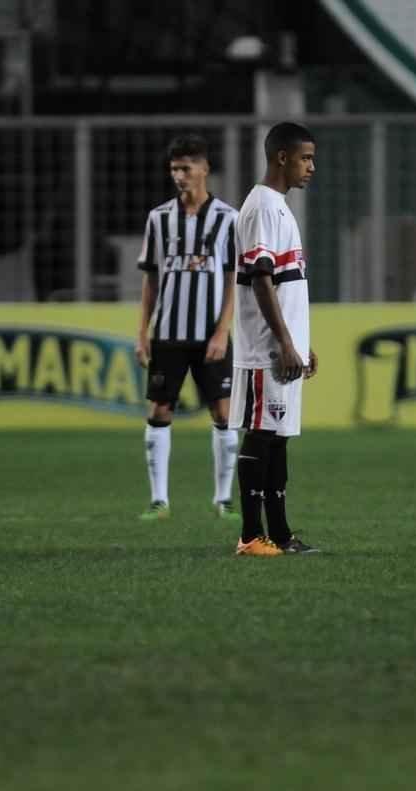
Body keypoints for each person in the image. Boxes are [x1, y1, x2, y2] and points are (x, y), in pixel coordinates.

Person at [135, 135, 241, 521]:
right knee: (160, 409)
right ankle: (159, 500)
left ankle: (223, 499)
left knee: (223, 412)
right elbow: (150, 280)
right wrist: (141, 332)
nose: (179, 176)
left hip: (212, 333)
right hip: (169, 332)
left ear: (205, 169)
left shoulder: (228, 218)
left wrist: (223, 330)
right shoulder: (158, 218)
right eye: (174, 169)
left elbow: (234, 278)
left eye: (186, 168)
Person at [229, 122, 320, 556]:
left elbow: (285, 282)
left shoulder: (278, 206)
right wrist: (284, 343)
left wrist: (300, 343)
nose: (311, 167)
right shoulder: (263, 206)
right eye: (305, 158)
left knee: (277, 439)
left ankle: (280, 535)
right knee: (261, 435)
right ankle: (250, 536)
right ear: (281, 157)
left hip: (283, 348)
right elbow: (261, 279)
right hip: (266, 350)